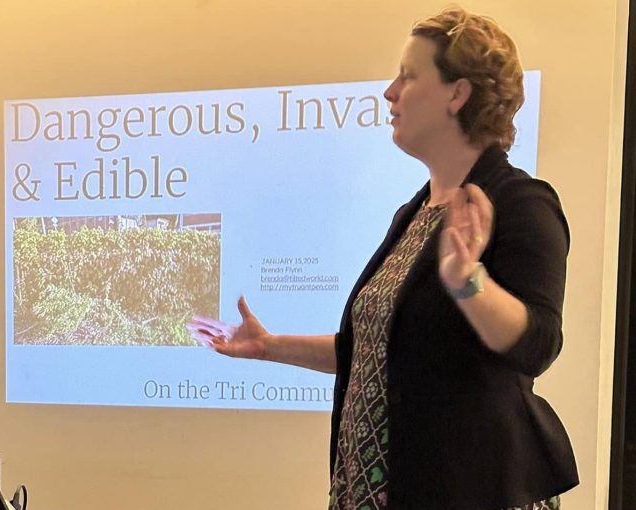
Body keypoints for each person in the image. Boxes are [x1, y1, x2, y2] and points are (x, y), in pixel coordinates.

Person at [187, 6, 579, 510]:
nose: (389, 92)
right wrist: (269, 347)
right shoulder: (413, 214)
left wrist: (468, 282)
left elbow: (538, 345)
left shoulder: (520, 203)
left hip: (468, 490)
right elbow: (372, 351)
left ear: (457, 95)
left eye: (408, 77)